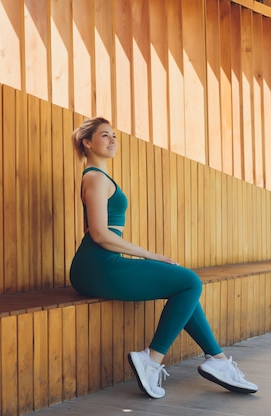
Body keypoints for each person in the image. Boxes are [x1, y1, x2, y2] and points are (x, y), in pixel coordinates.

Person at [69, 117, 258, 399]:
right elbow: (99, 234)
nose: (112, 140)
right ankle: (151, 359)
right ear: (87, 142)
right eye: (105, 135)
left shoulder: (100, 177)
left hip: (101, 264)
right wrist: (150, 255)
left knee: (185, 284)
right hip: (97, 266)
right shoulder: (94, 177)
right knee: (189, 281)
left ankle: (217, 360)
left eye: (114, 136)